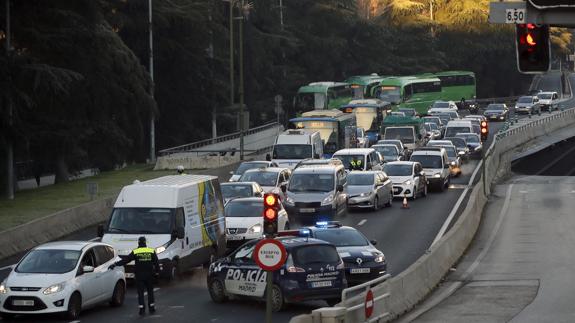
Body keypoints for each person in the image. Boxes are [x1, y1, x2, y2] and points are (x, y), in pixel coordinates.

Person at [110, 236, 159, 315]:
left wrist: (115, 264)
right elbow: (156, 263)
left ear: (138, 243)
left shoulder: (136, 251)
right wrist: (157, 272)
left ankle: (142, 309)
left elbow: (126, 260)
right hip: (149, 275)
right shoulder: (151, 251)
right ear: (145, 242)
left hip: (139, 275)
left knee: (140, 292)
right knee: (150, 292)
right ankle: (151, 308)